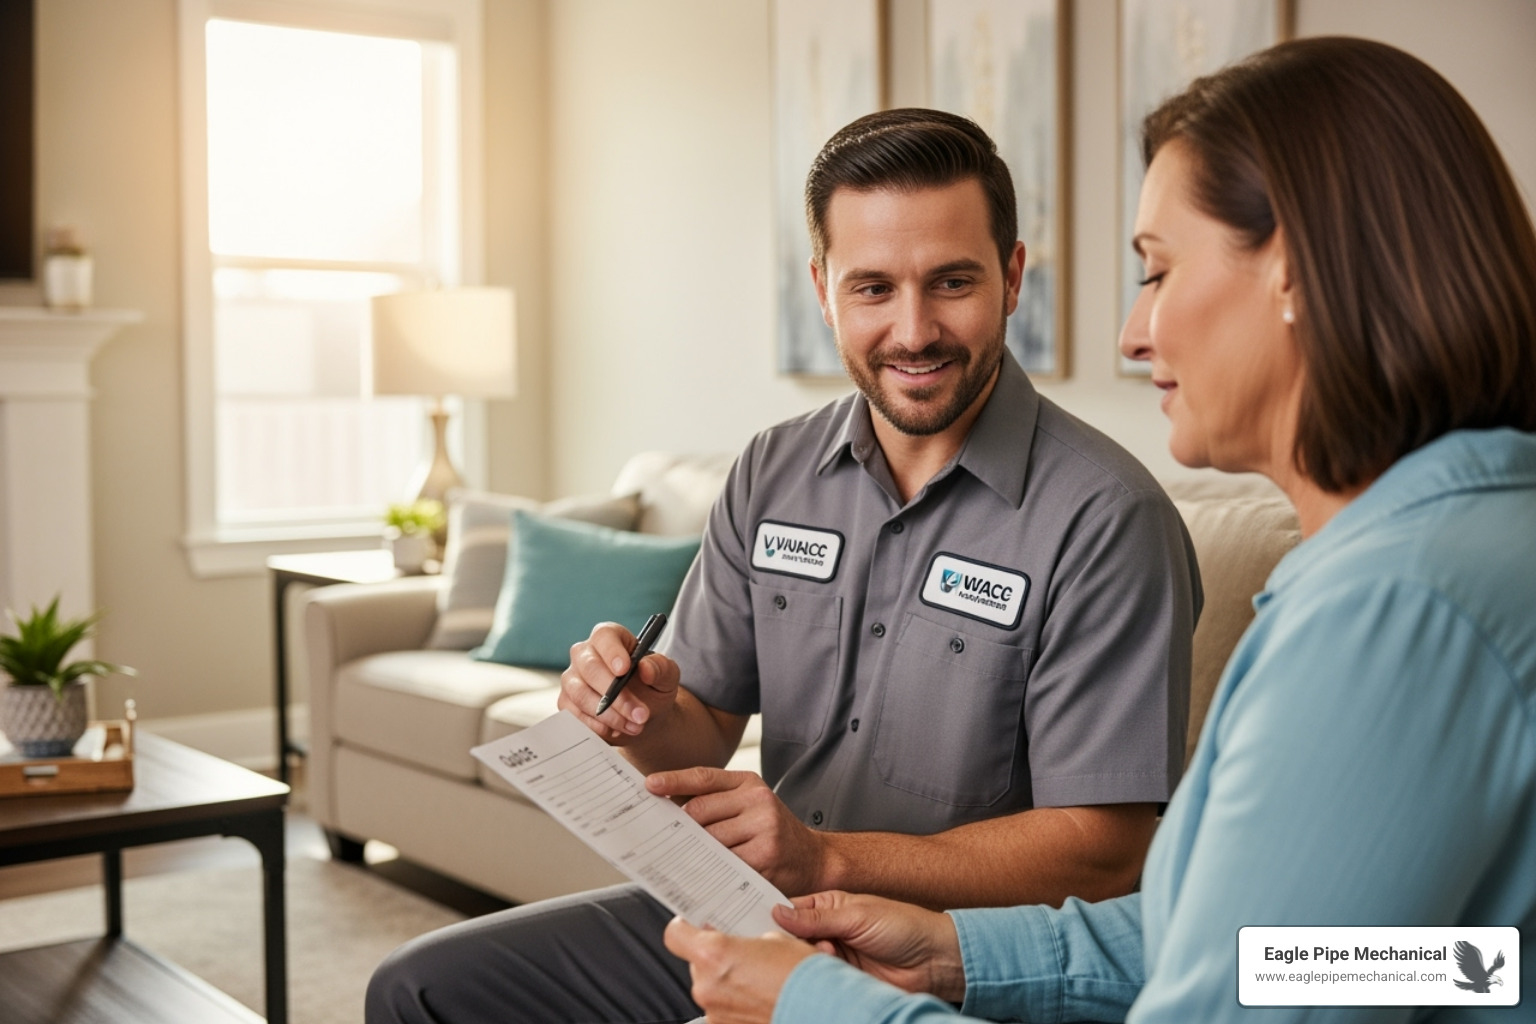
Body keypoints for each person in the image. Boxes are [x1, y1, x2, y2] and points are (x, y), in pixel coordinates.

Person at [664, 35, 1536, 1023]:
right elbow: (1396, 956)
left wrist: (819, 1007)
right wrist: (956, 956)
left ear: (1290, 272)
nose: (1132, 332)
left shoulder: (1393, 612)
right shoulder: (1473, 553)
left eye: (1157, 272)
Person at [367, 108, 1202, 1024]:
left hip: (963, 959)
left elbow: (1104, 850)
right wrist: (636, 708)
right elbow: (703, 725)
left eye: (952, 282)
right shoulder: (771, 472)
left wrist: (830, 858)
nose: (914, 330)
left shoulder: (1106, 518)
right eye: (873, 288)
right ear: (822, 289)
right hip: (753, 913)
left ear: (1010, 277)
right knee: (420, 991)